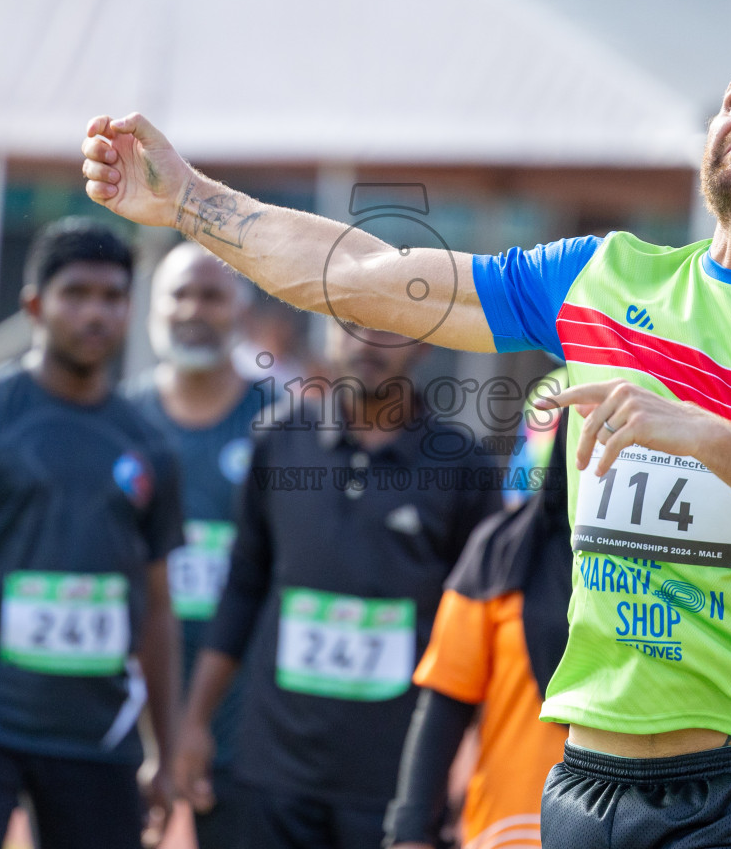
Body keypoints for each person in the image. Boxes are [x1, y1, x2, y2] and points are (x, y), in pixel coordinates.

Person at [81, 32, 731, 847]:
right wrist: (189, 201)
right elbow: (358, 279)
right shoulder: (604, 277)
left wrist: (707, 435)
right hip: (586, 778)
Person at [0, 218, 185, 849]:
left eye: (111, 297)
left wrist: (169, 747)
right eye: (76, 294)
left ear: (130, 309)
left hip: (99, 733)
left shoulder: (151, 444)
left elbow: (158, 606)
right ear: (35, 305)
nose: (94, 313)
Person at [174, 323, 501, 849]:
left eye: (388, 328)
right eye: (350, 323)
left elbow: (483, 631)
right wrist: (194, 723)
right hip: (273, 773)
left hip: (396, 784)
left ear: (424, 342)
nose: (365, 343)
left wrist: (477, 757)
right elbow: (243, 586)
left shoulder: (464, 466)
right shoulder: (276, 440)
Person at [386, 368, 573, 849]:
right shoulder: (499, 553)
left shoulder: (681, 575)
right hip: (508, 828)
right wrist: (411, 833)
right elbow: (446, 702)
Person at [125, 241, 266, 846]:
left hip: (245, 728)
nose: (193, 308)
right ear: (153, 309)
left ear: (240, 308)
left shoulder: (280, 429)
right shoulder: (117, 421)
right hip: (123, 716)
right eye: (178, 293)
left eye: (211, 294)